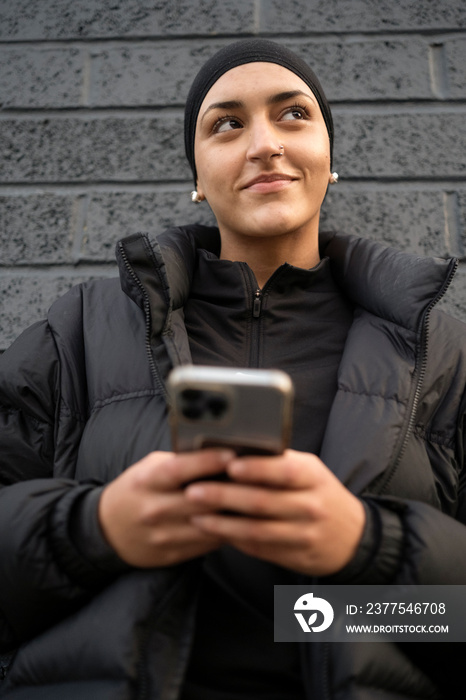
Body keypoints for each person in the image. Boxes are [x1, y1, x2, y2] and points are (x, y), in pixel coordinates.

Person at [0, 37, 465, 700]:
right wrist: (94, 530)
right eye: (226, 124)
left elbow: (455, 623)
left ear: (329, 158)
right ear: (196, 176)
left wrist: (370, 549)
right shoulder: (78, 331)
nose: (265, 144)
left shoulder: (440, 353)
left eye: (294, 115)